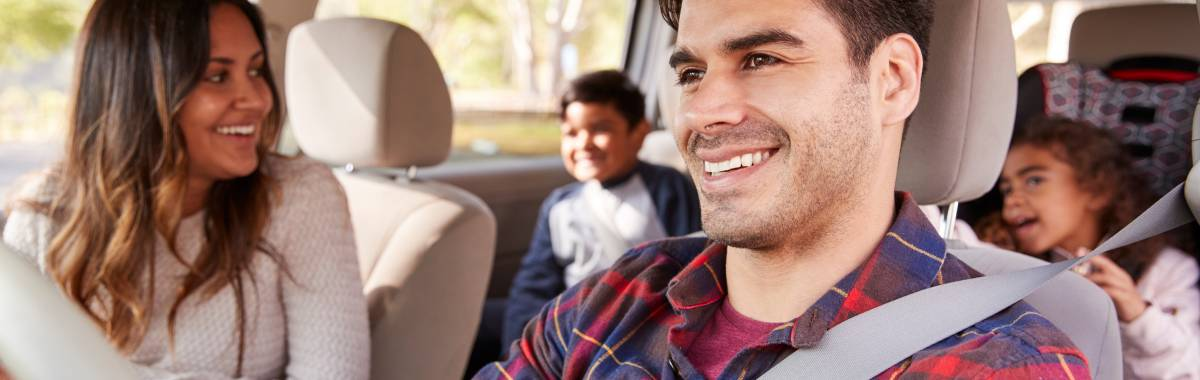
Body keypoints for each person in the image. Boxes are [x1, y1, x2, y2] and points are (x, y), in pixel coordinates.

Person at [475, 0, 1089, 379]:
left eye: (762, 58)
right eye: (692, 73)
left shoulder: (998, 365)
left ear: (892, 81)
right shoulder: (620, 294)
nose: (700, 112)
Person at [1, 0, 369, 378]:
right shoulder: (45, 219)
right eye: (217, 76)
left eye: (256, 70)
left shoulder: (297, 197)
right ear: (137, 91)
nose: (259, 100)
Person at [473, 70, 701, 366]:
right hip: (569, 316)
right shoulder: (559, 204)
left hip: (635, 317)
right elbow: (532, 285)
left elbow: (689, 266)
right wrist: (518, 352)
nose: (584, 143)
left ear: (639, 133)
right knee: (470, 320)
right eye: (571, 133)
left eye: (600, 129)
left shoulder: (666, 187)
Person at [991, 117, 1200, 379]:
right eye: (1006, 189)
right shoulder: (1005, 261)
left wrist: (1138, 314)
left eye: (1034, 181)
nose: (1012, 201)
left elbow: (1190, 371)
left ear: (1096, 190)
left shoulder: (1166, 270)